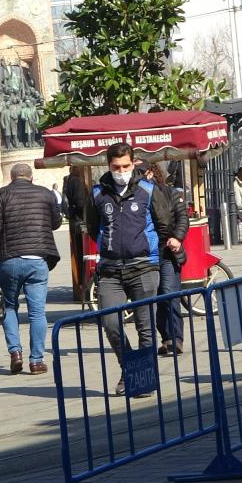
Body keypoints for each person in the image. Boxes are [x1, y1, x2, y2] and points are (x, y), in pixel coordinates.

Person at [85, 143, 171, 396]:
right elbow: (92, 226)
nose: (121, 171)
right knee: (110, 323)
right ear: (108, 166)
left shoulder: (148, 190)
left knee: (145, 327)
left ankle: (142, 378)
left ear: (133, 164)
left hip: (143, 267)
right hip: (111, 270)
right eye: (115, 167)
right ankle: (129, 367)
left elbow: (163, 223)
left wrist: (148, 247)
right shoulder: (98, 193)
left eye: (125, 166)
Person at [0, 164, 61, 376]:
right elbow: (56, 222)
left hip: (9, 260)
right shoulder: (45, 194)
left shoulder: (1, 194)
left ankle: (15, 352)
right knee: (37, 312)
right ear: (31, 177)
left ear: (11, 177)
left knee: (9, 307)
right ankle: (36, 361)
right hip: (37, 259)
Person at [142, 162, 188, 356]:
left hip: (168, 252)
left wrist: (176, 237)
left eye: (140, 172)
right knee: (157, 297)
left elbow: (182, 217)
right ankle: (166, 338)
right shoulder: (135, 196)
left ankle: (176, 339)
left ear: (151, 173)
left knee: (169, 293)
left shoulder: (169, 192)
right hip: (146, 254)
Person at [62, 167, 88, 302]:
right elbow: (80, 203)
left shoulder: (69, 179)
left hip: (75, 222)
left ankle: (82, 287)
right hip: (80, 223)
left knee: (80, 257)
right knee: (83, 257)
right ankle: (83, 288)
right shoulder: (77, 180)